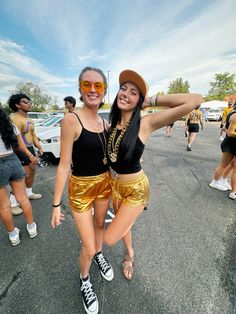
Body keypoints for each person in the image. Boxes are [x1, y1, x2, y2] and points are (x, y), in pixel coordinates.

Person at [103, 69, 202, 280]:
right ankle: (129, 254)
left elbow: (195, 100)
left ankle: (132, 222)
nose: (125, 94)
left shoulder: (145, 123)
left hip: (136, 189)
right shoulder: (111, 126)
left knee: (110, 238)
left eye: (133, 92)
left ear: (139, 100)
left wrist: (151, 100)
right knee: (123, 226)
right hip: (116, 187)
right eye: (123, 89)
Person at [51, 67, 114, 314]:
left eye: (98, 86)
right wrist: (56, 204)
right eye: (87, 84)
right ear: (80, 88)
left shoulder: (105, 123)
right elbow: (64, 165)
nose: (92, 90)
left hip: (104, 184)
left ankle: (99, 254)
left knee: (100, 225)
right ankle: (84, 279)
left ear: (104, 91)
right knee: (87, 245)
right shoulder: (71, 120)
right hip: (81, 187)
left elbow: (112, 158)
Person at [0, 108, 38, 246]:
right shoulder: (8, 124)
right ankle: (31, 227)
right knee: (22, 198)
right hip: (13, 160)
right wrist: (31, 156)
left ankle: (13, 235)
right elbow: (21, 146)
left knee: (3, 205)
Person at [8, 93, 43, 215]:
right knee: (22, 175)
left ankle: (28, 193)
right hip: (19, 149)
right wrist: (29, 154)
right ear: (17, 104)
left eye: (29, 101)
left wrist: (38, 146)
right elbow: (16, 141)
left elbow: (33, 135)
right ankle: (12, 202)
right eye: (25, 102)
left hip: (29, 147)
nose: (29, 104)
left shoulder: (29, 119)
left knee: (32, 170)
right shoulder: (14, 118)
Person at [224, 102, 236, 199]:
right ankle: (233, 191)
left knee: (232, 165)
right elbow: (229, 132)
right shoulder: (234, 115)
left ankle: (223, 180)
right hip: (231, 142)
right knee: (226, 165)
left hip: (231, 142)